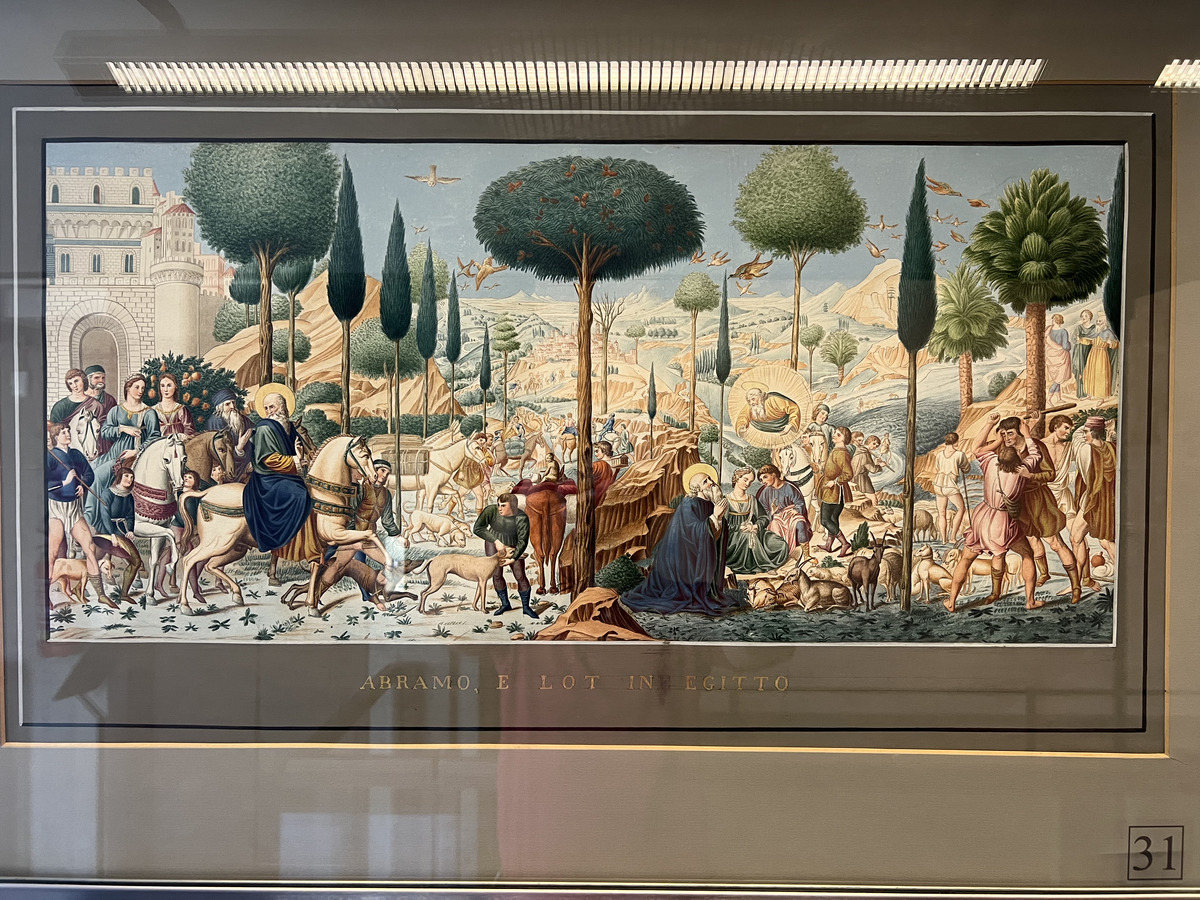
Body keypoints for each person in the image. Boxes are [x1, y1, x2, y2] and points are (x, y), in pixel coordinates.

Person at [944, 412, 1041, 611]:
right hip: (1002, 520)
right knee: (1025, 554)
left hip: (983, 516)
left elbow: (976, 448)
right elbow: (1036, 454)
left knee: (966, 558)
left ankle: (952, 601)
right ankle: (1029, 601)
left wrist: (990, 426)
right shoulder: (1022, 470)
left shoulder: (991, 463)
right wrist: (1027, 433)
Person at [621, 464, 739, 616]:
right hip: (684, 557)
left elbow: (713, 533)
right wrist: (715, 517)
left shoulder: (710, 504)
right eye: (705, 481)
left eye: (710, 478)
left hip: (698, 553)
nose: (711, 482)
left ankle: (708, 591)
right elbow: (691, 530)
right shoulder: (689, 503)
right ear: (698, 488)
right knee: (677, 594)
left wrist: (719, 519)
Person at [1003, 413, 1082, 602]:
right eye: (1004, 434)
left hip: (1039, 499)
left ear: (1020, 432)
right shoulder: (1006, 451)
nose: (1006, 438)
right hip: (1020, 503)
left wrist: (1031, 476)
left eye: (1010, 433)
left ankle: (1076, 586)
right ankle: (1044, 574)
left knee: (1055, 543)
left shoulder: (1036, 446)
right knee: (1032, 541)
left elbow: (1050, 474)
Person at [45, 421, 109, 607]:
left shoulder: (76, 454)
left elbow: (89, 474)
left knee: (89, 547)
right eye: (63, 432)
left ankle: (101, 594)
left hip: (74, 507)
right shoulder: (50, 456)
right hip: (56, 508)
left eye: (68, 431)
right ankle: (45, 596)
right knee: (52, 553)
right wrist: (64, 483)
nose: (67, 434)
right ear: (55, 437)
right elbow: (42, 482)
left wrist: (82, 485)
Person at [86, 374, 160, 532]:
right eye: (136, 387)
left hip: (134, 456)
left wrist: (136, 451)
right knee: (90, 470)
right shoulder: (116, 410)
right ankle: (94, 518)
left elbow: (155, 436)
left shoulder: (148, 412)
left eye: (143, 388)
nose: (140, 391)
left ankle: (90, 517)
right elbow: (105, 432)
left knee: (97, 476)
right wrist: (122, 429)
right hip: (115, 454)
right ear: (128, 388)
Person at [242, 391, 313, 554]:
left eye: (272, 407)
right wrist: (297, 460)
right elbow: (271, 460)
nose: (269, 412)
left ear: (283, 407)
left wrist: (303, 460)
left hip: (287, 475)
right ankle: (284, 540)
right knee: (299, 494)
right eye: (266, 408)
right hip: (268, 479)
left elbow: (300, 451)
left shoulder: (289, 427)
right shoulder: (264, 428)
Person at [1073, 416, 1117, 591]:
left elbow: (1076, 437)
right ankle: (1081, 581)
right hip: (1108, 502)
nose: (1084, 434)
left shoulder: (1086, 450)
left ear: (1092, 432)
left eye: (1087, 431)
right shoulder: (1112, 448)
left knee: (1078, 538)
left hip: (1093, 501)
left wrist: (1095, 424)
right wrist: (1106, 429)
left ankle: (1077, 584)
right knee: (1105, 540)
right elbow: (1110, 439)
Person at [472, 492, 535, 618]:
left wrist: (513, 559)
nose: (499, 508)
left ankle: (526, 607)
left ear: (512, 506)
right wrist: (496, 541)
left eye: (503, 505)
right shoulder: (491, 510)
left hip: (513, 545)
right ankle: (505, 604)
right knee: (496, 575)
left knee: (520, 575)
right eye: (498, 505)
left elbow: (522, 541)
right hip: (493, 544)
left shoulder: (521, 518)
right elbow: (478, 528)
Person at [724, 467, 789, 574]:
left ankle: (764, 562)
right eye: (745, 480)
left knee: (779, 544)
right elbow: (722, 525)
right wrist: (739, 527)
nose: (747, 484)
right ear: (737, 478)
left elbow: (764, 518)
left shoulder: (752, 499)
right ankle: (766, 566)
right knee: (748, 536)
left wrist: (755, 526)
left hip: (755, 532)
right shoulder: (726, 500)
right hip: (733, 538)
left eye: (750, 482)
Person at [756, 463, 812, 557]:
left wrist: (796, 509)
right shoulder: (766, 491)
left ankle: (807, 556)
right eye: (761, 480)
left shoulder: (788, 487)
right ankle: (781, 555)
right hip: (776, 517)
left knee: (800, 524)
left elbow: (799, 502)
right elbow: (762, 511)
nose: (763, 481)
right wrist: (772, 512)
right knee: (774, 528)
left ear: (773, 474)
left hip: (790, 514)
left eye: (765, 477)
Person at [818, 426, 854, 557]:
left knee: (824, 520)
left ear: (844, 439)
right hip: (833, 491)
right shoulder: (837, 450)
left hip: (835, 492)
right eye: (835, 433)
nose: (834, 435)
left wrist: (834, 482)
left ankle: (844, 543)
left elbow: (848, 474)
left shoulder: (842, 453)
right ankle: (829, 545)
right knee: (833, 519)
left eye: (838, 435)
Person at [932, 432, 971, 544]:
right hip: (949, 485)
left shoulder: (939, 454)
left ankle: (944, 539)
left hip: (938, 485)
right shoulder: (959, 454)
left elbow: (937, 467)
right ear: (956, 442)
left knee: (941, 513)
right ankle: (952, 537)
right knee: (961, 509)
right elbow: (966, 468)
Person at [207, 389, 253, 479]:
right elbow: (220, 453)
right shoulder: (215, 423)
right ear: (220, 407)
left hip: (248, 465)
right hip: (229, 468)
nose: (232, 406)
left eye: (233, 402)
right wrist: (239, 448)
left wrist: (253, 460)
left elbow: (256, 434)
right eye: (227, 404)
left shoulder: (242, 419)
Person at [735, 384, 801, 441]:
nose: (751, 402)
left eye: (753, 399)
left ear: (760, 397)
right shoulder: (751, 406)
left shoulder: (773, 400)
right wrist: (741, 427)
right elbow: (742, 416)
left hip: (783, 426)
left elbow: (794, 408)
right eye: (749, 400)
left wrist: (790, 425)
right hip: (763, 434)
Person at [1083, 314, 1119, 399]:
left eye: (1100, 321)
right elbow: (1089, 340)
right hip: (1092, 354)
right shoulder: (1096, 331)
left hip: (1101, 356)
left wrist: (1110, 342)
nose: (1098, 323)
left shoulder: (1108, 332)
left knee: (1101, 374)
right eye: (1097, 321)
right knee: (1090, 373)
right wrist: (1081, 339)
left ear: (1105, 323)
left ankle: (1101, 397)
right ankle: (1090, 394)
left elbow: (1115, 345)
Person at [153, 372, 196, 439]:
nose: (165, 389)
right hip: (159, 443)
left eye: (169, 385)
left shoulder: (181, 409)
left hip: (178, 442)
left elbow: (189, 430)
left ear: (175, 386)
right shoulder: (154, 410)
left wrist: (182, 437)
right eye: (162, 386)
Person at [1045, 313, 1074, 405]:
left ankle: (1058, 398)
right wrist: (1069, 345)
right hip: (1061, 357)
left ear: (1054, 321)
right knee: (1058, 379)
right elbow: (1065, 346)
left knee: (1057, 378)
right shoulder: (1063, 331)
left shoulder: (1049, 331)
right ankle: (1048, 399)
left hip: (1051, 356)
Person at [851, 434, 886, 508]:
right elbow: (873, 469)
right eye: (874, 443)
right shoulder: (864, 453)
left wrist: (875, 463)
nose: (875, 446)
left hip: (856, 477)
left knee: (866, 499)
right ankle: (875, 512)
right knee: (873, 499)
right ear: (868, 441)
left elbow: (866, 465)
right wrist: (880, 466)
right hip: (861, 479)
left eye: (877, 445)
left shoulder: (860, 450)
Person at [1071, 309, 1098, 399]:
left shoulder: (1094, 328)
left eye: (1086, 316)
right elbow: (1074, 339)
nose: (1083, 318)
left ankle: (1089, 392)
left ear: (1090, 317)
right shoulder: (1078, 327)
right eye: (1082, 316)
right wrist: (1079, 339)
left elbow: (1095, 339)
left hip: (1090, 351)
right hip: (1079, 351)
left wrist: (1082, 339)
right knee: (1079, 371)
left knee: (1089, 370)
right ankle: (1081, 394)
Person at [591, 440, 617, 506]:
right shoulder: (616, 463)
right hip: (607, 495)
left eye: (597, 451)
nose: (595, 454)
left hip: (597, 495)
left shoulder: (597, 465)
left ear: (604, 451)